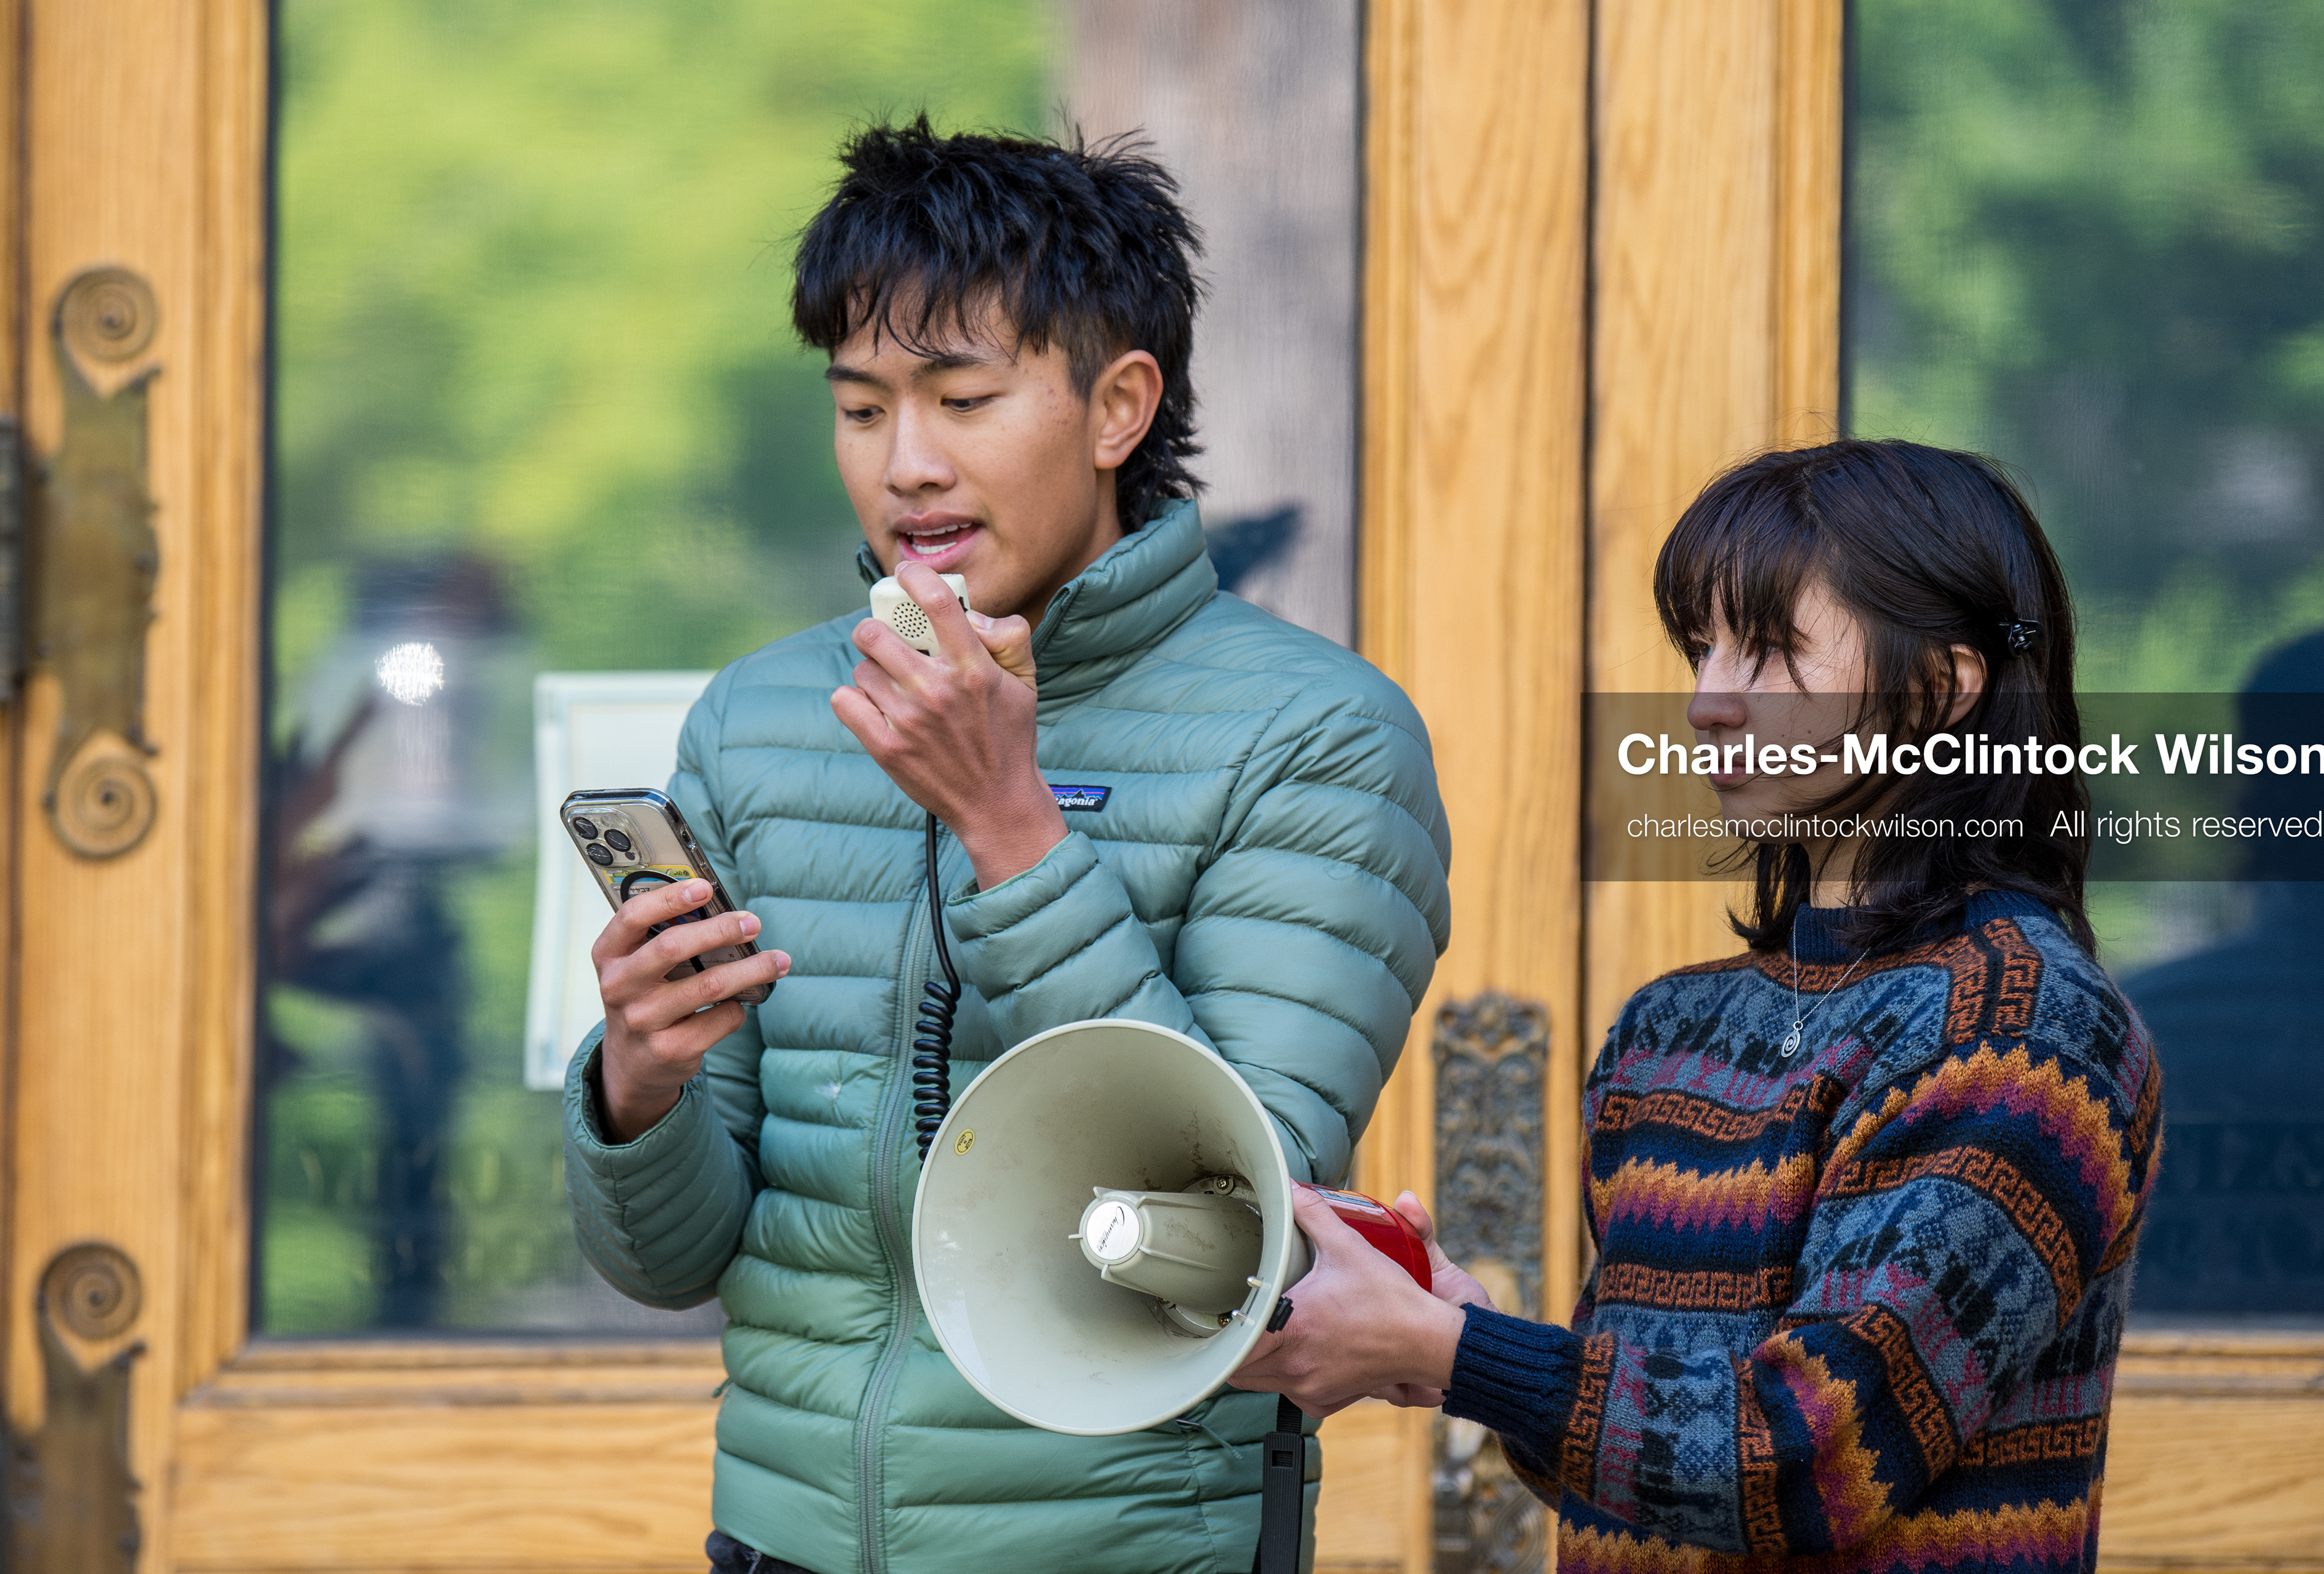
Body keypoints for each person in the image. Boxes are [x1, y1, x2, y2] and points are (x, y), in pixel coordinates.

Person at [559, 117, 1451, 1574]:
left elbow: (1227, 1237)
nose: (907, 463)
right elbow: (665, 1262)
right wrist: (639, 1086)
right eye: (861, 410)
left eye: (963, 398)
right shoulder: (760, 720)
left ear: (1118, 408)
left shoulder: (1320, 737)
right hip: (779, 1538)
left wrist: (1009, 824)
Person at [1233, 440, 2161, 1574]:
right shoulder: (1670, 1030)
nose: (1706, 699)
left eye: (1767, 650)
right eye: (1702, 646)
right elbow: (1658, 1464)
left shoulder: (2028, 1032)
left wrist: (1471, 1353)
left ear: (1941, 685)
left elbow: (1806, 1461)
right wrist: (1460, 1334)